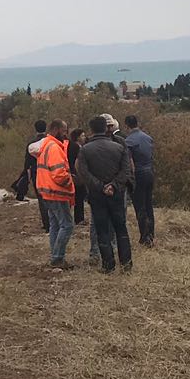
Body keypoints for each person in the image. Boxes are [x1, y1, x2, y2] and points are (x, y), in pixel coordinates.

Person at [77, 116, 136, 273]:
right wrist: (114, 186)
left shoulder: (85, 149)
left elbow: (83, 172)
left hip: (97, 196)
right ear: (106, 128)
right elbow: (126, 171)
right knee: (121, 228)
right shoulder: (119, 147)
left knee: (102, 229)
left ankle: (108, 265)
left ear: (91, 129)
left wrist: (101, 187)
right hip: (116, 195)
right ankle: (126, 263)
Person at [36, 120, 76, 270]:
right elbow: (59, 174)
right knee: (67, 225)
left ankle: (55, 255)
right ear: (57, 129)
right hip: (57, 192)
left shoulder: (46, 144)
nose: (66, 134)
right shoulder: (54, 148)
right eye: (64, 130)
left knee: (55, 225)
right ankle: (58, 258)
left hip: (46, 191)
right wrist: (70, 181)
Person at [124, 115, 157, 247]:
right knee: (149, 205)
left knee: (140, 206)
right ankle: (151, 233)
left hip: (138, 174)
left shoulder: (128, 141)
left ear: (126, 126)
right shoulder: (148, 138)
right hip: (149, 172)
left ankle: (145, 237)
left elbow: (129, 163)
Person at [26, 119, 50, 230]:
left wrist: (28, 176)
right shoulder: (50, 142)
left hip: (37, 173)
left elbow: (27, 163)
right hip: (50, 171)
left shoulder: (31, 144)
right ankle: (53, 221)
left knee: (41, 198)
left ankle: (46, 223)